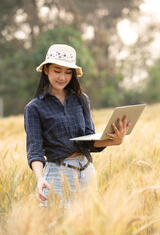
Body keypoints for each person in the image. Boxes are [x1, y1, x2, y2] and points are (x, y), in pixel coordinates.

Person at [24, 44, 131, 207]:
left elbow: (88, 140)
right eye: (57, 70)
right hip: (58, 176)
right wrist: (40, 179)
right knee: (57, 228)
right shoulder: (34, 107)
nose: (62, 77)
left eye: (68, 72)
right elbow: (34, 150)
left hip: (87, 172)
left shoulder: (81, 100)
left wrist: (113, 141)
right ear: (46, 69)